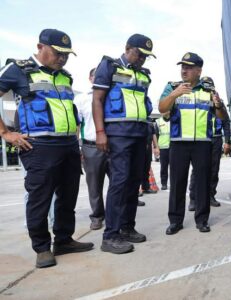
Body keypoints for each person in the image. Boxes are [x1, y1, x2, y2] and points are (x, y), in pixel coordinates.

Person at [0, 29, 94, 268]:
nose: (62, 58)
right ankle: (42, 248)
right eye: (57, 52)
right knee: (40, 199)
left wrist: (76, 143)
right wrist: (5, 133)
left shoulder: (65, 76)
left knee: (67, 196)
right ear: (40, 47)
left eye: (66, 54)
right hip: (39, 146)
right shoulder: (18, 70)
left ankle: (63, 240)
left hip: (68, 145)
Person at [93, 33, 155, 254]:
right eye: (139, 54)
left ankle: (128, 227)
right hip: (118, 134)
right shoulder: (109, 66)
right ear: (128, 48)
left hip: (139, 134)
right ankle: (110, 235)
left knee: (133, 182)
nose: (142, 60)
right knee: (119, 182)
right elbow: (98, 100)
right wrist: (100, 132)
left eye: (146, 56)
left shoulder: (144, 75)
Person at [159, 52, 228, 235]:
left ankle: (202, 220)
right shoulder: (172, 87)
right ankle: (175, 221)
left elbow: (221, 117)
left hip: (202, 144)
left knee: (202, 183)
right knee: (177, 183)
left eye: (188, 67)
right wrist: (175, 94)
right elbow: (161, 108)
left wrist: (219, 105)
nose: (184, 70)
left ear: (199, 71)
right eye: (182, 67)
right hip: (179, 143)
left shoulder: (208, 91)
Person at [188, 76, 231, 211]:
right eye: (205, 85)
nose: (207, 88)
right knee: (197, 170)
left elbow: (225, 122)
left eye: (209, 85)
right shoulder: (198, 100)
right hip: (202, 139)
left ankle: (211, 196)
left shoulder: (219, 102)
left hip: (216, 139)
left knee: (214, 170)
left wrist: (227, 142)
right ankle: (193, 199)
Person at [74, 68, 110, 230]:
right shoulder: (81, 99)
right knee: (94, 184)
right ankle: (97, 215)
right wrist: (77, 148)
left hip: (114, 146)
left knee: (118, 182)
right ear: (90, 78)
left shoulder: (111, 95)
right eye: (96, 75)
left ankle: (114, 212)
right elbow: (76, 125)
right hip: (91, 146)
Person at [139, 118, 158, 198]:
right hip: (139, 147)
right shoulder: (139, 119)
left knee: (146, 168)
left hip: (148, 148)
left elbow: (154, 134)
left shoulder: (150, 121)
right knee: (138, 169)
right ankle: (137, 189)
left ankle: (146, 187)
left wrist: (156, 146)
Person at [155, 111, 171, 190]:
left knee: (174, 168)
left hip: (173, 147)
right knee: (163, 167)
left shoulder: (174, 120)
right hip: (163, 148)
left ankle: (174, 183)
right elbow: (156, 136)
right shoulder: (158, 122)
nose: (164, 112)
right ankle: (164, 183)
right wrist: (156, 148)